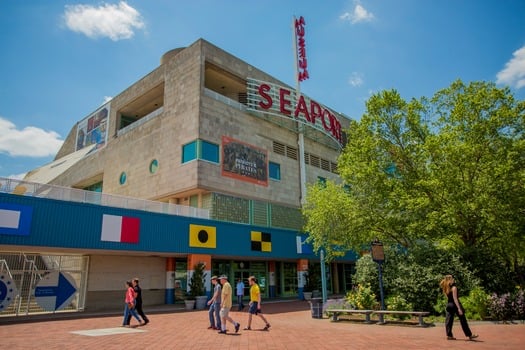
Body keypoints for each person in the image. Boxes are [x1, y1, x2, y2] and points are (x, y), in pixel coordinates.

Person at [439, 275, 478, 341]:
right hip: (455, 305)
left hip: (449, 305)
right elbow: (455, 299)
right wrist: (459, 308)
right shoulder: (454, 288)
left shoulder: (446, 288)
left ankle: (449, 336)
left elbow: (448, 297)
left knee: (448, 321)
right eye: (452, 278)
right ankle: (470, 335)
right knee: (463, 320)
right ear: (450, 280)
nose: (453, 279)